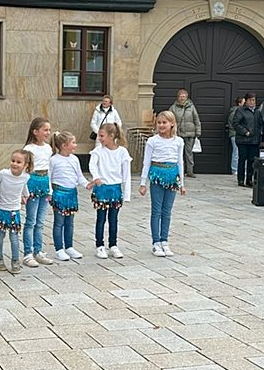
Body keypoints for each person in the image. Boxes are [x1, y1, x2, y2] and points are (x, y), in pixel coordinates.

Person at [139, 111, 186, 257]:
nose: (161, 125)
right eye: (159, 123)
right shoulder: (152, 141)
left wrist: (182, 183)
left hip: (172, 177)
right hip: (157, 176)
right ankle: (156, 242)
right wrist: (143, 182)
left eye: (164, 122)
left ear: (172, 124)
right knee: (156, 210)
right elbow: (146, 162)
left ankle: (165, 240)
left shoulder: (178, 141)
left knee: (167, 211)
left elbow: (180, 162)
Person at [89, 123, 131, 260]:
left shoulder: (122, 152)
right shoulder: (98, 151)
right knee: (101, 218)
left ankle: (113, 245)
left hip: (115, 189)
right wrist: (96, 177)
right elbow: (92, 164)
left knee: (113, 219)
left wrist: (127, 193)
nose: (99, 138)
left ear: (111, 136)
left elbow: (126, 173)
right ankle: (99, 245)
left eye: (102, 136)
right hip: (102, 189)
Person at [22, 117, 56, 267]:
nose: (48, 132)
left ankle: (38, 250)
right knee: (31, 220)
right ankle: (28, 253)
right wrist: (24, 191)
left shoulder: (48, 148)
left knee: (41, 221)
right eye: (45, 130)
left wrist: (50, 189)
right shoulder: (29, 149)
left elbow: (49, 170)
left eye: (49, 130)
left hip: (44, 183)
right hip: (33, 183)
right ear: (35, 132)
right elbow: (24, 171)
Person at [49, 131, 88, 261]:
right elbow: (49, 177)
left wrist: (88, 184)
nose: (75, 145)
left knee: (70, 222)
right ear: (64, 145)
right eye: (73, 143)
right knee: (59, 222)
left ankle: (69, 247)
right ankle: (59, 249)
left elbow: (79, 176)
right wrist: (49, 193)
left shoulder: (74, 159)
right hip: (59, 193)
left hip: (72, 194)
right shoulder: (53, 160)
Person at [0, 150, 30, 274]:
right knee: (0, 235)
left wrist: (25, 196)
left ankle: (15, 261)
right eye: (13, 161)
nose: (14, 164)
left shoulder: (26, 176)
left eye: (19, 162)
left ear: (25, 165)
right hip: (1, 209)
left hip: (15, 211)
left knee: (14, 236)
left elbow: (24, 189)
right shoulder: (3, 174)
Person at [169, 89, 201, 178]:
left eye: (184, 96)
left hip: (190, 133)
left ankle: (190, 171)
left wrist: (198, 132)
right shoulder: (173, 107)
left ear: (187, 97)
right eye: (180, 96)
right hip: (178, 133)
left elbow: (196, 119)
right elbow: (169, 119)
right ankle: (179, 171)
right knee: (178, 153)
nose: (182, 98)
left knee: (189, 153)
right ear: (178, 97)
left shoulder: (191, 107)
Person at [233, 93, 261, 187]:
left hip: (254, 140)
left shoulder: (257, 111)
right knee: (242, 159)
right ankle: (240, 179)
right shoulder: (240, 110)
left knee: (252, 161)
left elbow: (260, 124)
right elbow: (236, 123)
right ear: (246, 101)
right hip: (243, 140)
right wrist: (245, 132)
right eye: (250, 100)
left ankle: (249, 179)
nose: (252, 102)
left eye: (253, 100)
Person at [227, 97, 244, 175]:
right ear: (239, 103)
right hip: (235, 134)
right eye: (243, 102)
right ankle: (234, 169)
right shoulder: (234, 112)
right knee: (236, 152)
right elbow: (233, 124)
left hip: (241, 134)